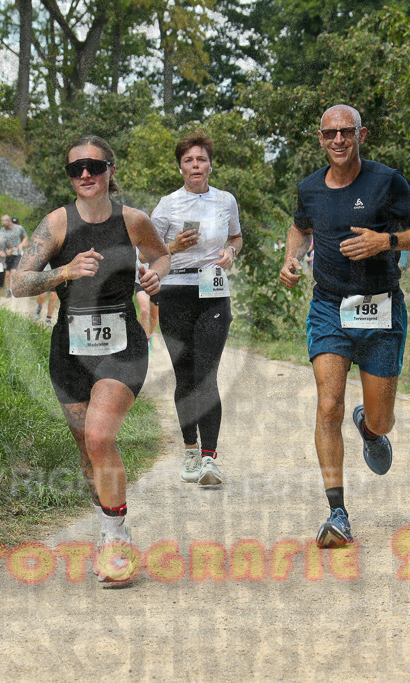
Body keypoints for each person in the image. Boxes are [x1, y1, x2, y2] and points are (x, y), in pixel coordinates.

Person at [279, 104, 410, 548]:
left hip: (381, 309)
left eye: (345, 132)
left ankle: (369, 428)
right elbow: (299, 227)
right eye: (329, 133)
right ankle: (337, 512)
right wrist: (291, 257)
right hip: (329, 307)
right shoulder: (309, 187)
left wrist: (385, 240)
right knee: (327, 406)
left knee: (382, 418)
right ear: (320, 138)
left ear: (360, 135)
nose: (337, 140)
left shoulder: (386, 181)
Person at [12, 135, 170, 586]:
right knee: (87, 447)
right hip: (70, 352)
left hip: (122, 346)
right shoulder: (57, 224)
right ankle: (109, 523)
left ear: (110, 172)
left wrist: (154, 277)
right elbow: (17, 282)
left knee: (101, 437)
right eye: (75, 168)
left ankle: (116, 536)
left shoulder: (133, 221)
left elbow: (161, 257)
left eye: (94, 166)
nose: (85, 174)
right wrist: (64, 271)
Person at [150, 132, 242, 486]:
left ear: (210, 165)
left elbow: (236, 237)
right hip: (175, 292)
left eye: (201, 159)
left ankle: (209, 459)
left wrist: (231, 252)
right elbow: (147, 250)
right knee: (185, 376)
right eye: (189, 161)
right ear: (180, 168)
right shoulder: (167, 205)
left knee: (206, 375)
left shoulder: (225, 201)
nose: (196, 166)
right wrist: (172, 246)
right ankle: (190, 450)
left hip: (213, 292)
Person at [1, 214, 28, 297]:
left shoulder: (18, 228)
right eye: (1, 221)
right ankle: (8, 291)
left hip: (17, 253)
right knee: (7, 274)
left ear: (9, 221)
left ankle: (14, 290)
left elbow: (25, 237)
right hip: (8, 254)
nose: (2, 223)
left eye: (4, 221)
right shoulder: (2, 230)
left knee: (13, 272)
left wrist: (21, 245)